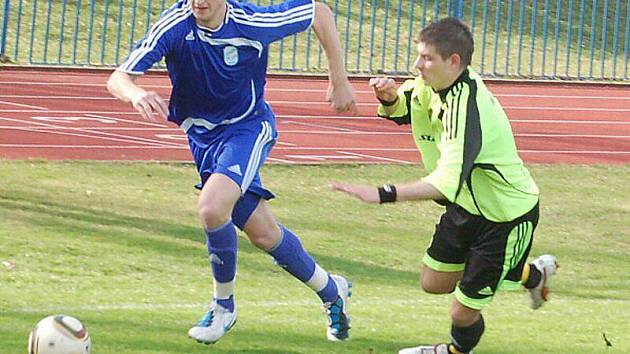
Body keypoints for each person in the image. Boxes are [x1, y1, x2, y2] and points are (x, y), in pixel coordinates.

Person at [107, 0, 357, 345]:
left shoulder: (251, 22)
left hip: (248, 129)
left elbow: (319, 12)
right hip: (203, 140)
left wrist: (339, 79)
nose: (199, 2)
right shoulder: (176, 24)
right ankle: (332, 291)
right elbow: (118, 78)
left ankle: (223, 307)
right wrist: (134, 93)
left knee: (211, 207)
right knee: (264, 235)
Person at [332, 17, 558, 354]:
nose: (417, 66)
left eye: (426, 58)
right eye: (419, 56)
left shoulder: (468, 107)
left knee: (462, 312)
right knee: (433, 282)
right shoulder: (430, 85)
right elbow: (404, 105)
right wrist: (390, 96)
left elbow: (445, 183)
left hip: (505, 218)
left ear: (453, 61)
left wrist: (383, 194)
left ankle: (452, 351)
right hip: (467, 206)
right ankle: (532, 274)